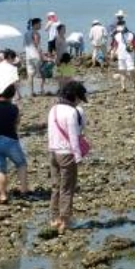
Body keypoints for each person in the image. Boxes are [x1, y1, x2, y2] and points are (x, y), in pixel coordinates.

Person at [47, 81, 88, 234]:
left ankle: (54, 218)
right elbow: (74, 136)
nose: (79, 101)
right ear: (75, 96)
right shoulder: (71, 112)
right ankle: (65, 221)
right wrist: (78, 157)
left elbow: (51, 132)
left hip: (53, 152)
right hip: (67, 154)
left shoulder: (54, 109)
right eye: (79, 98)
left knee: (56, 186)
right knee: (67, 188)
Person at [0, 84, 28, 204]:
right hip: (10, 140)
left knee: (0, 169)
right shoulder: (14, 108)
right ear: (12, 94)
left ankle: (3, 195)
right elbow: (16, 123)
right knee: (21, 163)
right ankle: (24, 190)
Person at [112, 24, 135, 91]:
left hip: (129, 55)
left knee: (131, 69)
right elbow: (115, 45)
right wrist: (113, 53)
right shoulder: (117, 36)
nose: (120, 32)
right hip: (120, 55)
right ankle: (123, 87)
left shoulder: (131, 35)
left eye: (121, 30)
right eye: (119, 31)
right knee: (122, 70)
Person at [24, 17, 45, 96]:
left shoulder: (26, 33)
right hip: (35, 55)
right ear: (35, 24)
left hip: (28, 55)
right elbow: (37, 45)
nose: (41, 25)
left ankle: (31, 92)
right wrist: (42, 55)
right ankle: (41, 89)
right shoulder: (36, 33)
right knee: (42, 73)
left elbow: (25, 45)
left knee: (30, 74)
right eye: (39, 24)